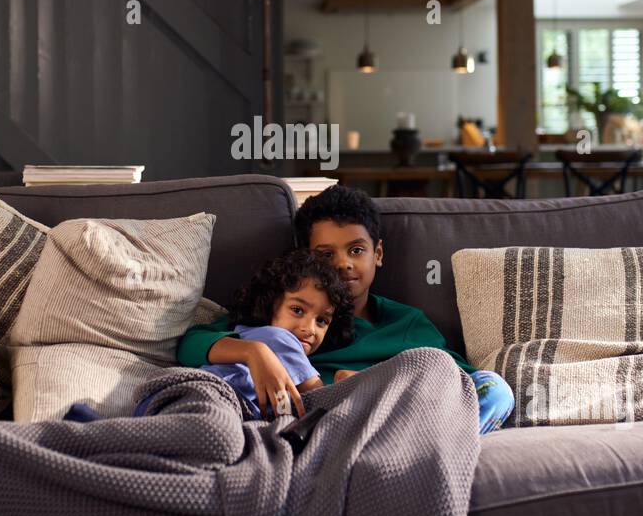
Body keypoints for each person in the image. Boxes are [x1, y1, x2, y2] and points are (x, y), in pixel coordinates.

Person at [178, 184, 514, 431]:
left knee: (496, 390)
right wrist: (255, 352)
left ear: (377, 254)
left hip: (393, 416)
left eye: (356, 250)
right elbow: (190, 345)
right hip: (316, 421)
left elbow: (459, 379)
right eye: (326, 255)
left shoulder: (406, 323)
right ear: (306, 258)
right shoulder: (279, 312)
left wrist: (378, 385)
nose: (343, 264)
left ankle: (415, 439)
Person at [201, 248, 353, 419]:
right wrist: (350, 384)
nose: (310, 328)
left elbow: (284, 410)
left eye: (321, 321)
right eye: (297, 310)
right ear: (269, 305)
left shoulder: (247, 334)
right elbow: (322, 403)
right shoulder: (279, 339)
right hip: (212, 398)